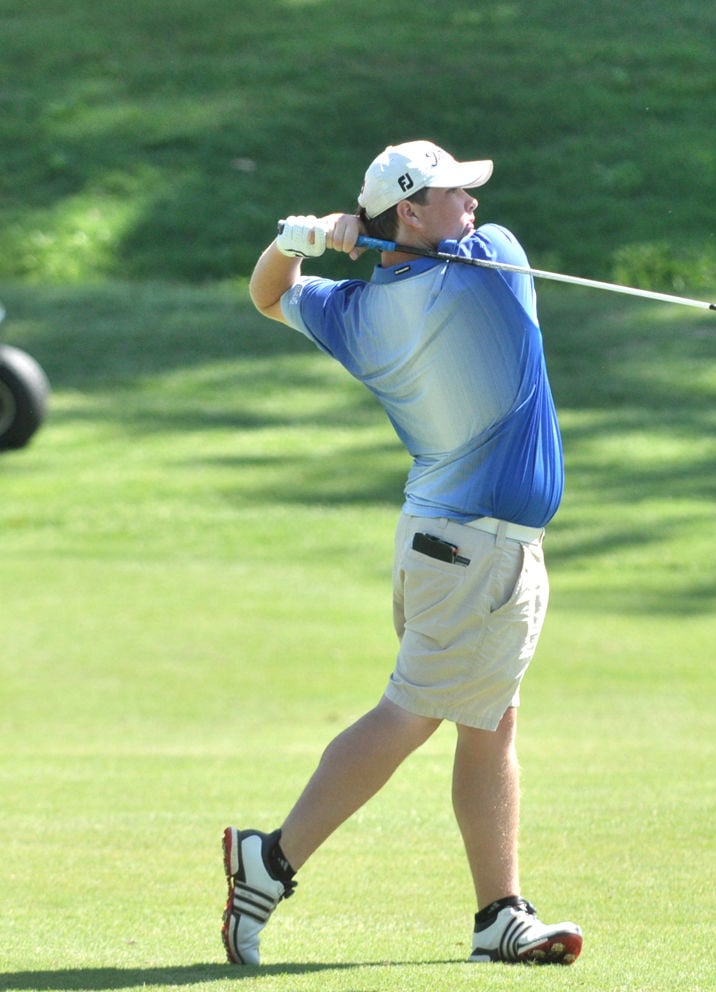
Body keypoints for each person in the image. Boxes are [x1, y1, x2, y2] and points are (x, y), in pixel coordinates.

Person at [222, 139, 582, 967]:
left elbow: (267, 294)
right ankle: (268, 862)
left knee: (487, 722)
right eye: (456, 194)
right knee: (414, 711)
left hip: (460, 545)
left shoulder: (360, 314)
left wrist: (302, 240)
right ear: (412, 212)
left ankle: (500, 913)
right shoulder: (494, 264)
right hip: (472, 551)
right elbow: (448, 251)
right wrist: (363, 239)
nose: (476, 207)